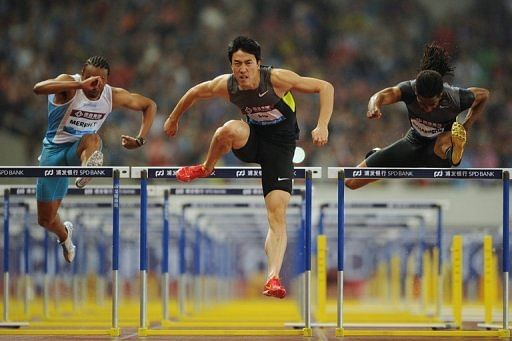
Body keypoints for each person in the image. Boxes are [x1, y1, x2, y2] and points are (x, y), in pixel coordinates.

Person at [164, 36, 333, 298]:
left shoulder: (276, 79)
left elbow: (325, 87)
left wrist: (322, 124)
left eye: (247, 63)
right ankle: (206, 167)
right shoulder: (228, 85)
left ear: (258, 63)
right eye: (236, 63)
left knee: (276, 215)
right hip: (252, 141)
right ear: (231, 65)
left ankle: (273, 277)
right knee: (228, 129)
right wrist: (174, 119)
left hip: (280, 150)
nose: (242, 69)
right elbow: (196, 92)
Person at [33, 56, 157, 263]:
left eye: (101, 80)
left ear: (107, 81)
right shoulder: (69, 84)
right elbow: (38, 88)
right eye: (91, 78)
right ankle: (65, 236)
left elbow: (149, 105)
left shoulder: (111, 95)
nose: (96, 84)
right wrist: (79, 84)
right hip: (53, 152)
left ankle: (86, 168)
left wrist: (140, 139)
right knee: (45, 220)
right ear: (83, 74)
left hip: (80, 150)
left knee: (92, 137)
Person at [345, 42, 489, 190]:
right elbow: (381, 95)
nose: (427, 109)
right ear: (416, 94)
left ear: (440, 95)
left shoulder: (455, 97)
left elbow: (484, 95)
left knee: (449, 135)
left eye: (432, 104)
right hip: (413, 142)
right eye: (422, 103)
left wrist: (466, 126)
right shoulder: (409, 90)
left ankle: (455, 152)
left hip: (438, 151)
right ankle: (385, 162)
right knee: (351, 182)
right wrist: (373, 107)